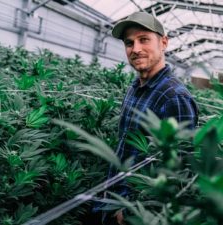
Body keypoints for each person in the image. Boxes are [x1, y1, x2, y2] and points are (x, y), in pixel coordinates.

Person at [85, 12, 198, 225]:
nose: (135, 49)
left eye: (144, 39)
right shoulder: (135, 87)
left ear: (164, 43)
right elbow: (127, 146)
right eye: (129, 43)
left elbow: (179, 169)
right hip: (112, 197)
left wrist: (133, 211)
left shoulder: (174, 97)